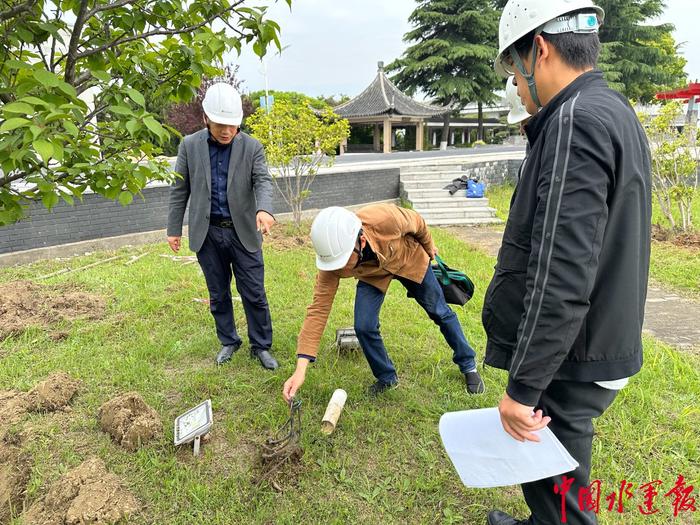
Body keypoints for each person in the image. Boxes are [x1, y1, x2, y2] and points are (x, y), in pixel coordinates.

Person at [484, 1, 651, 524]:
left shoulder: (574, 122)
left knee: (561, 497)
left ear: (539, 49)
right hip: (597, 337)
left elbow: (561, 272)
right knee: (549, 477)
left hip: (572, 354)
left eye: (514, 73)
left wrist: (523, 387)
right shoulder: (611, 108)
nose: (517, 87)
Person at [282, 204, 484, 401]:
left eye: (344, 260)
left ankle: (468, 364)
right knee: (364, 326)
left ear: (360, 241)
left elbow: (418, 223)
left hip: (408, 259)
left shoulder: (385, 218)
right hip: (373, 275)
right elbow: (318, 311)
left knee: (440, 311)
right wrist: (300, 370)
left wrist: (430, 247)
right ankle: (387, 378)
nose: (340, 267)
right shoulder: (331, 262)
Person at [167, 82, 279, 370]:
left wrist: (264, 209)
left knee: (254, 292)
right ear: (206, 119)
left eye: (232, 125)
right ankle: (229, 340)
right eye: (220, 125)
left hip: (243, 231)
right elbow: (180, 190)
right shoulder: (189, 146)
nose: (227, 131)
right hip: (208, 233)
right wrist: (173, 228)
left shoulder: (252, 147)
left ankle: (261, 345)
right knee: (217, 293)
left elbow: (263, 181)